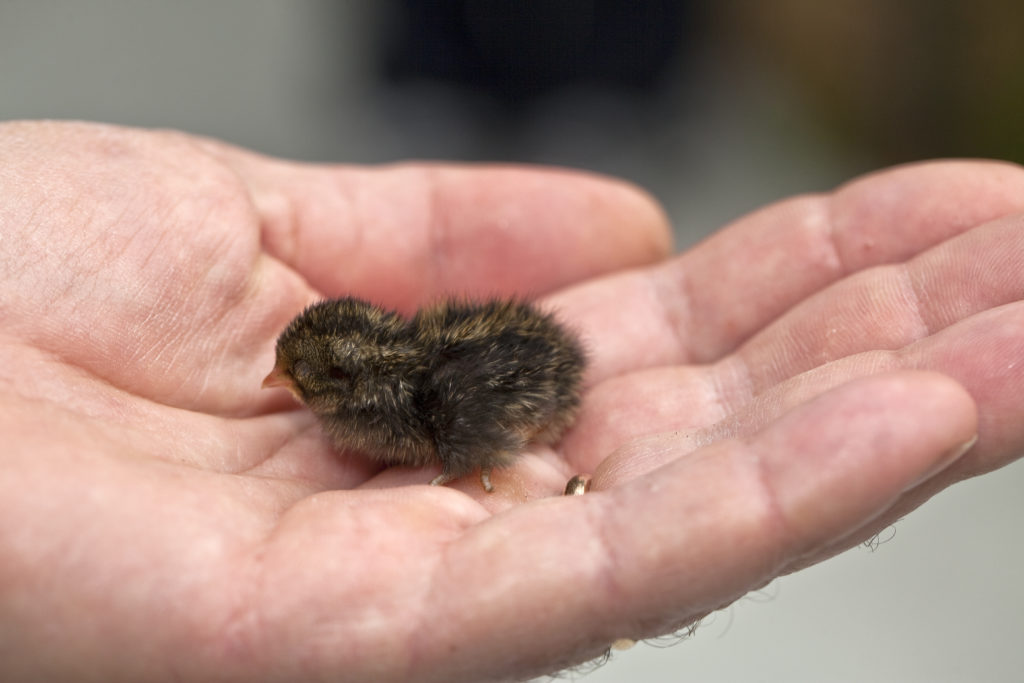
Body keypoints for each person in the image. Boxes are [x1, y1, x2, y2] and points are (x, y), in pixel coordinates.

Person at [1, 120, 1021, 682]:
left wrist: (473, 455)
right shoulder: (387, 383)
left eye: (300, 381)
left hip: (509, 390)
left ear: (351, 386)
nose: (285, 392)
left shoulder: (421, 397)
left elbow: (476, 395)